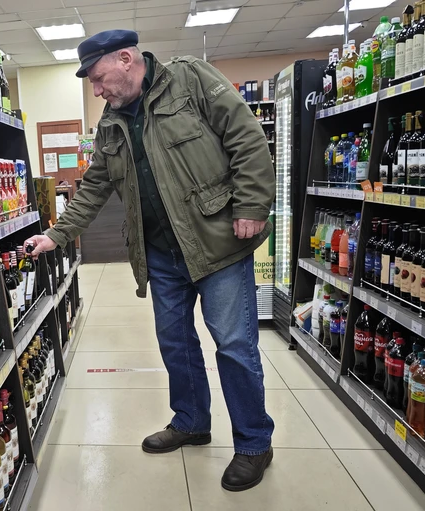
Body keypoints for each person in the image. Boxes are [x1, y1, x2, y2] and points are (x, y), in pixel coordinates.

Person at [25, 29, 276, 492]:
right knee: (175, 343)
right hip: (160, 253)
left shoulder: (191, 79)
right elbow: (94, 187)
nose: (96, 90)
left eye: (98, 78)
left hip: (217, 243)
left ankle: (254, 443)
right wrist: (57, 235)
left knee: (233, 346)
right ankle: (192, 421)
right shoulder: (111, 124)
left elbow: (246, 136)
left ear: (126, 59)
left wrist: (252, 205)